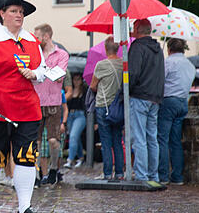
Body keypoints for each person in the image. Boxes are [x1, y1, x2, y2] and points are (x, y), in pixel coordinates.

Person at [0, 0, 57, 213]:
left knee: (27, 157)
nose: (19, 15)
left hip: (28, 108)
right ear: (2, 14)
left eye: (21, 12)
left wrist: (34, 74)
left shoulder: (30, 40)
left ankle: (25, 206)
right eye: (14, 11)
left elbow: (42, 69)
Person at [128, 18, 165, 183]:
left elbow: (133, 73)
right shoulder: (158, 48)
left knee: (139, 137)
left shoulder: (137, 47)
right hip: (155, 97)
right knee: (152, 137)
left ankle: (142, 175)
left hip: (140, 96)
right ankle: (153, 175)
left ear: (137, 29)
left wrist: (125, 90)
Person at [32, 23, 70, 185]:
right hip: (36, 101)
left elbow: (59, 75)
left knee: (53, 140)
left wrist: (40, 71)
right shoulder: (34, 53)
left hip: (54, 102)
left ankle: (54, 168)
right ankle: (37, 173)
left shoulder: (61, 54)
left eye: (37, 37)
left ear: (46, 36)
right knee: (36, 141)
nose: (35, 39)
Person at [157, 38, 196, 185]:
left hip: (168, 101)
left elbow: (160, 81)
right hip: (182, 102)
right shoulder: (190, 65)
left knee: (162, 139)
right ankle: (177, 176)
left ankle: (163, 175)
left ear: (169, 49)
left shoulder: (168, 63)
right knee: (176, 141)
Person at [89, 36, 124, 180]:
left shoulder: (101, 65)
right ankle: (120, 173)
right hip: (119, 107)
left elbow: (92, 86)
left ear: (105, 48)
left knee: (105, 141)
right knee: (117, 140)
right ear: (118, 49)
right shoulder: (123, 64)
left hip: (103, 106)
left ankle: (108, 173)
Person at [64, 72, 87, 169]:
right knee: (75, 137)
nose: (76, 82)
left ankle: (70, 160)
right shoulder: (70, 91)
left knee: (73, 136)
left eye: (78, 79)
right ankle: (81, 157)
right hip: (70, 115)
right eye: (75, 79)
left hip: (80, 115)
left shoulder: (84, 91)